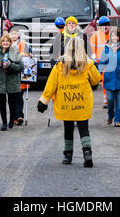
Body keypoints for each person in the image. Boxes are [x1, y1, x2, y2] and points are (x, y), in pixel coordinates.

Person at [37, 36, 101, 167]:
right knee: (84, 128)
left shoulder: (60, 65)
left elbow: (51, 85)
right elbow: (96, 80)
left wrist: (43, 101)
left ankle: (68, 155)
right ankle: (87, 153)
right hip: (82, 102)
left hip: (65, 102)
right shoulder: (87, 64)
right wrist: (92, 63)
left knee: (68, 128)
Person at [0, 34, 23, 131]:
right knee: (1, 103)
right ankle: (4, 122)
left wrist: (10, 65)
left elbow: (20, 67)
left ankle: (11, 120)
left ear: (10, 43)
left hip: (12, 81)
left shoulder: (14, 51)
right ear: (1, 42)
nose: (5, 43)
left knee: (12, 102)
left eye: (7, 41)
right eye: (3, 41)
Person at [98, 28, 120, 127]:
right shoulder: (106, 48)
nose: (114, 38)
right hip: (109, 78)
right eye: (112, 36)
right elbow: (102, 61)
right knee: (109, 100)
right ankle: (110, 116)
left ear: (119, 37)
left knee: (119, 101)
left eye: (116, 36)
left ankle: (118, 120)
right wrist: (98, 74)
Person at [9, 27, 33, 125]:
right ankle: (14, 116)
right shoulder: (6, 44)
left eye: (15, 33)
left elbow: (32, 56)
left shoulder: (26, 45)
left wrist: (31, 56)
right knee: (12, 98)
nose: (14, 35)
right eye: (12, 33)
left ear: (19, 35)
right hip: (10, 74)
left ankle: (19, 116)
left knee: (19, 96)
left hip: (22, 75)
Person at [89, 16, 110, 108]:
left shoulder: (115, 34)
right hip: (101, 63)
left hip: (114, 63)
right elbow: (92, 50)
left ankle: (113, 99)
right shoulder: (95, 36)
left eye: (106, 25)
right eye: (102, 25)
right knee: (105, 82)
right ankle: (107, 100)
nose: (105, 27)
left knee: (114, 81)